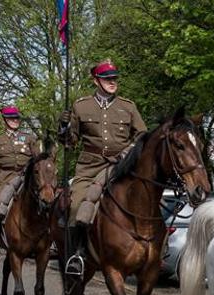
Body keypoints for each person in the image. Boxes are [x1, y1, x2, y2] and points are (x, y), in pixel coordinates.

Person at [58, 59, 148, 275]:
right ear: (96, 80)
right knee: (76, 206)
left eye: (114, 78)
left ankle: (155, 249)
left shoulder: (128, 106)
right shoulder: (81, 106)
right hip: (90, 167)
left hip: (123, 166)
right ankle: (77, 254)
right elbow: (70, 142)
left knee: (148, 198)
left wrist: (126, 154)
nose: (112, 81)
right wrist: (63, 127)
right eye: (107, 79)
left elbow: (142, 134)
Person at [0, 106, 42, 254]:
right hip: (5, 178)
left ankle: (47, 238)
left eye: (17, 118)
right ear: (4, 120)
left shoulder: (29, 138)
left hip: (27, 178)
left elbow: (38, 159)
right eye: (11, 118)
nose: (15, 120)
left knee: (45, 202)